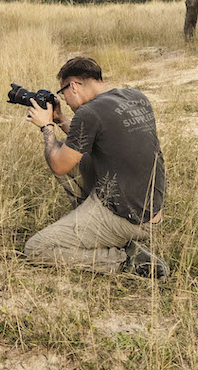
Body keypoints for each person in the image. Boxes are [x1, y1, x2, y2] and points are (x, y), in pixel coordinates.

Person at [23, 56, 169, 278]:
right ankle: (96, 229)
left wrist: (47, 127)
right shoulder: (136, 97)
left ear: (72, 85)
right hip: (151, 210)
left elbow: (59, 164)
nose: (66, 101)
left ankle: (125, 260)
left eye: (63, 94)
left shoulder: (89, 112)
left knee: (37, 248)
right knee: (73, 158)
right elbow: (95, 139)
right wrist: (61, 117)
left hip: (126, 218)